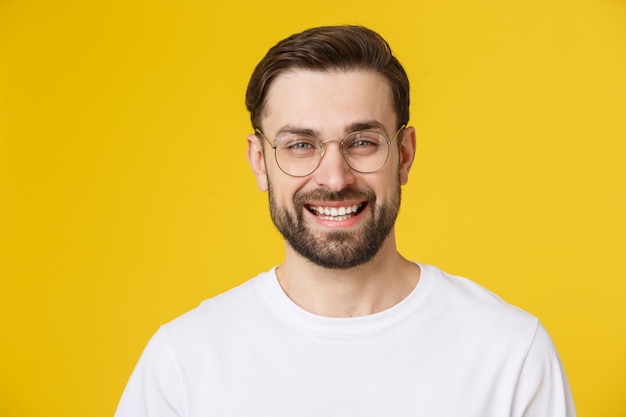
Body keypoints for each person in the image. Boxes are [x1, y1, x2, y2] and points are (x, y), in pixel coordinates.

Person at [115, 25, 576, 417]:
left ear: (405, 155)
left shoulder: (510, 352)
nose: (334, 178)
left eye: (362, 142)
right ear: (260, 162)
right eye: (300, 145)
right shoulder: (184, 361)